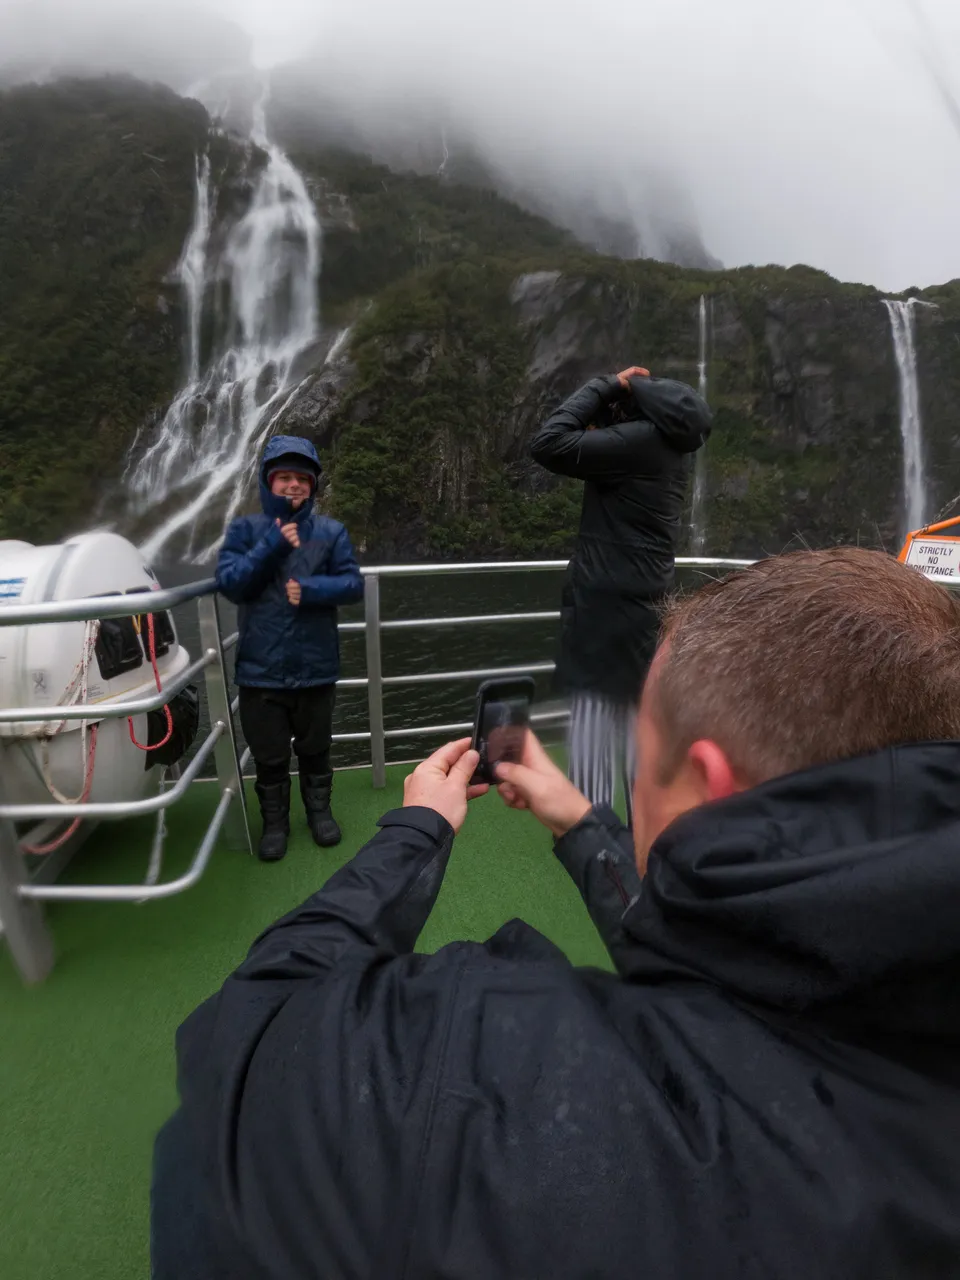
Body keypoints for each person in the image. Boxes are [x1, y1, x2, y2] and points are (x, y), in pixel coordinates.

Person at [152, 548, 960, 1279]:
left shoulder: (461, 1075)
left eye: (646, 757)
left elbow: (258, 1017)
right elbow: (765, 954)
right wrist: (579, 822)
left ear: (712, 790)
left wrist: (417, 829)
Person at [530, 365, 711, 821]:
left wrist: (604, 384)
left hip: (605, 604)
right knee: (637, 717)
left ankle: (594, 831)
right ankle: (643, 827)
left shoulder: (638, 443)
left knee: (593, 716)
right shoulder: (670, 445)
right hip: (642, 599)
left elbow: (548, 442)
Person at [216, 434, 363, 862]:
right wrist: (274, 543)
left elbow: (353, 584)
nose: (294, 485)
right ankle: (275, 824)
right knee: (269, 755)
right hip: (261, 669)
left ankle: (320, 813)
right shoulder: (245, 530)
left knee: (317, 749)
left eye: (303, 477)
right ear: (268, 481)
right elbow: (232, 583)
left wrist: (314, 588)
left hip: (316, 665)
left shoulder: (332, 532)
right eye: (285, 477)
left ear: (314, 485)